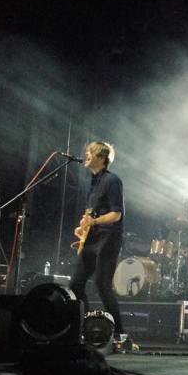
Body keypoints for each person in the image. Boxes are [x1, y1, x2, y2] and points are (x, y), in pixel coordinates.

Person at [70, 141, 126, 339]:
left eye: (90, 153)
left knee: (102, 284)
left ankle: (120, 333)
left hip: (108, 238)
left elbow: (116, 214)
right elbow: (91, 215)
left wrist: (93, 222)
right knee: (75, 284)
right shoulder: (93, 182)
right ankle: (86, 327)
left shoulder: (112, 181)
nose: (86, 155)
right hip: (92, 239)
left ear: (102, 158)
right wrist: (83, 228)